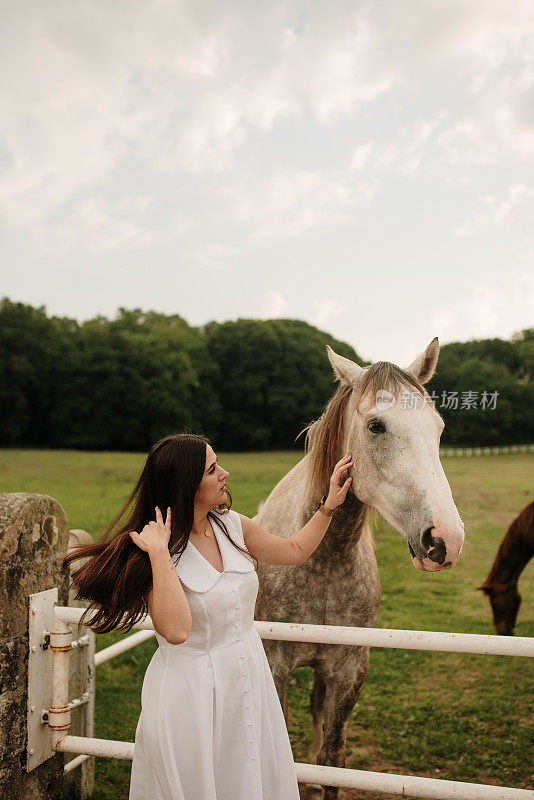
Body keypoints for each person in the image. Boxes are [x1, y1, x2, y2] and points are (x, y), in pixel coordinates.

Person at [64, 432, 353, 800]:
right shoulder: (156, 547)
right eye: (212, 469)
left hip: (247, 675)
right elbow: (177, 630)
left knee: (248, 778)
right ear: (187, 485)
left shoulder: (232, 526)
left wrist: (329, 503)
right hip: (192, 691)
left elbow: (294, 550)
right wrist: (158, 555)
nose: (225, 474)